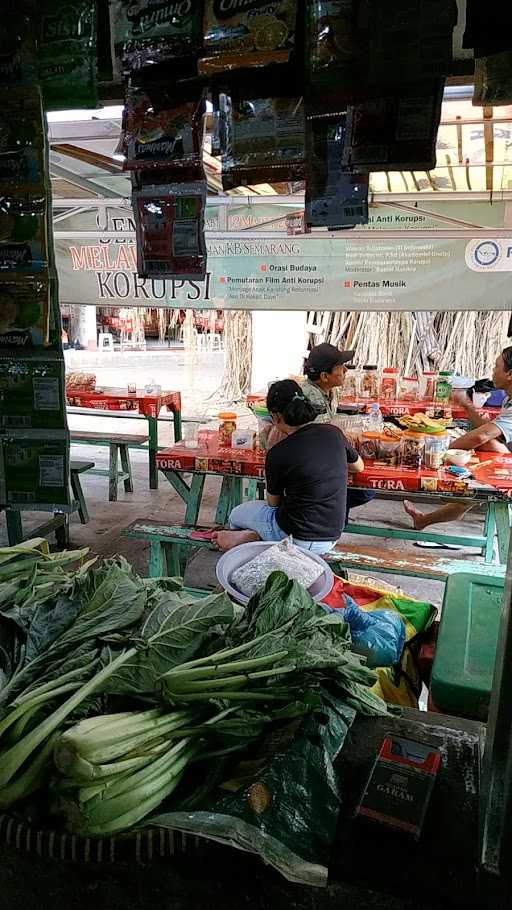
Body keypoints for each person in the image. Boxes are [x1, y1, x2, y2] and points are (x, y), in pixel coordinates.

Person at [214, 379, 364, 553]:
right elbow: (358, 467)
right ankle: (259, 537)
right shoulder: (334, 433)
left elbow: (272, 503)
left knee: (235, 515)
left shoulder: (278, 452)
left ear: (276, 416)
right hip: (332, 537)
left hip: (295, 536)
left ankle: (253, 543)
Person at [404, 346, 512, 531]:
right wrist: (467, 406)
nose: (492, 371)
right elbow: (485, 431)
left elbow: (482, 435)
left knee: (478, 469)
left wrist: (436, 450)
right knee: (471, 487)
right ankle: (424, 520)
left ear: (509, 374)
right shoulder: (508, 399)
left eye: (496, 367)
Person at [302, 342, 376, 518]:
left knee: (367, 488)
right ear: (324, 376)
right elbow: (316, 438)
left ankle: (334, 513)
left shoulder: (330, 391)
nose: (345, 371)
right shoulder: (309, 398)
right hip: (312, 462)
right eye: (340, 367)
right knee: (362, 489)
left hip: (326, 453)